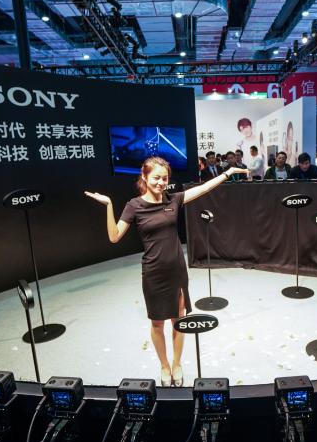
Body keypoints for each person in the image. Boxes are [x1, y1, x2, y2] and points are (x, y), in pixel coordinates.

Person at [85, 157, 250, 387]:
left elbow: (203, 188)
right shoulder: (134, 205)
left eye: (164, 178)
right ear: (144, 177)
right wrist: (109, 205)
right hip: (153, 273)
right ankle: (164, 365)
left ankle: (177, 363)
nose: (161, 182)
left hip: (177, 271)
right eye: (156, 178)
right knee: (157, 324)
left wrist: (227, 173)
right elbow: (114, 237)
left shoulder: (174, 199)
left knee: (178, 320)